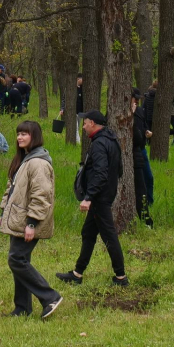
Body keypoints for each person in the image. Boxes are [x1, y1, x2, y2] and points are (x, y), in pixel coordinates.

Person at [57, 111, 127, 287]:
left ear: (94, 123)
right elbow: (119, 169)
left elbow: (100, 173)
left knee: (109, 235)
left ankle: (121, 277)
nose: (84, 126)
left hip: (99, 198)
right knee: (88, 233)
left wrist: (89, 197)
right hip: (105, 195)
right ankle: (77, 274)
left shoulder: (99, 144)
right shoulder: (112, 140)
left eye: (85, 123)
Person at [0, 120, 62, 319]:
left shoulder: (38, 162)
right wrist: (3, 213)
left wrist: (32, 223)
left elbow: (41, 195)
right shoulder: (24, 160)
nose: (19, 137)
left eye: (24, 134)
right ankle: (22, 308)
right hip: (18, 219)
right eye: (18, 134)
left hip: (28, 221)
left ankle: (50, 297)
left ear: (34, 136)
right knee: (21, 259)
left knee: (16, 259)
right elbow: (11, 190)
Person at [131, 91, 153, 227]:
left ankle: (149, 202)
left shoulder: (139, 110)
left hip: (141, 150)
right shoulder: (122, 111)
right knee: (138, 184)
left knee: (148, 178)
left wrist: (146, 131)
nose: (137, 101)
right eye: (135, 99)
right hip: (132, 151)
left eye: (139, 99)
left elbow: (143, 125)